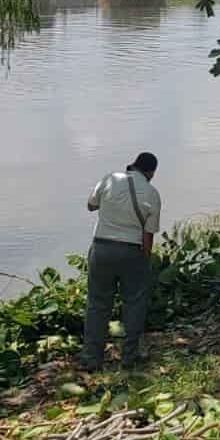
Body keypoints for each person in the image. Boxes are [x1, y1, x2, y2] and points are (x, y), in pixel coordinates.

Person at [80, 151, 161, 372]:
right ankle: (129, 357)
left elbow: (90, 205)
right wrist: (144, 264)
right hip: (132, 251)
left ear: (132, 165)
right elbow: (148, 237)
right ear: (151, 172)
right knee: (134, 303)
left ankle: (91, 359)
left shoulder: (109, 179)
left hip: (102, 248)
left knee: (97, 304)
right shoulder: (152, 194)